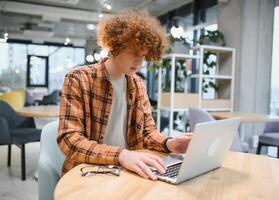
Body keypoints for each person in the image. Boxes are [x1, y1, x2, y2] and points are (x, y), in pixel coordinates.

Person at [57, 9, 192, 180]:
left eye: (143, 55)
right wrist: (121, 154)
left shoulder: (138, 84)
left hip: (128, 170)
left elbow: (147, 133)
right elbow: (69, 140)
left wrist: (170, 143)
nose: (140, 61)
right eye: (135, 53)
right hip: (88, 171)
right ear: (114, 45)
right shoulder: (78, 79)